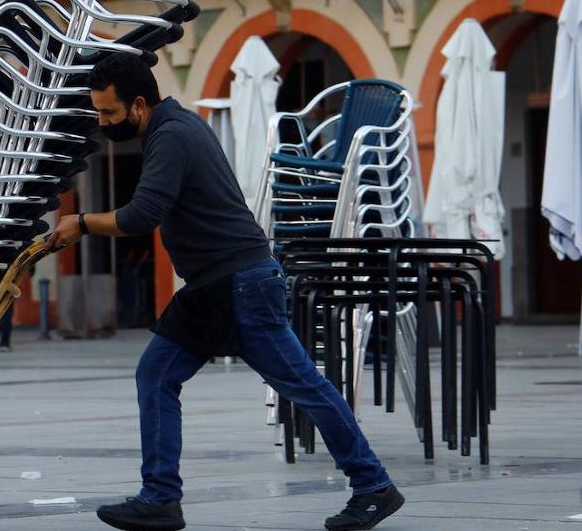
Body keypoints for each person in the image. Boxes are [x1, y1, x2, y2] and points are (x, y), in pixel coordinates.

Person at [48, 54, 403, 531]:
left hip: (242, 283)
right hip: (212, 287)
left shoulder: (172, 135)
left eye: (109, 114)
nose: (102, 122)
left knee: (304, 387)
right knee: (156, 375)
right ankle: (159, 499)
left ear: (137, 104)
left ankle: (373, 485)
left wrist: (83, 223)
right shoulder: (169, 129)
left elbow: (142, 215)